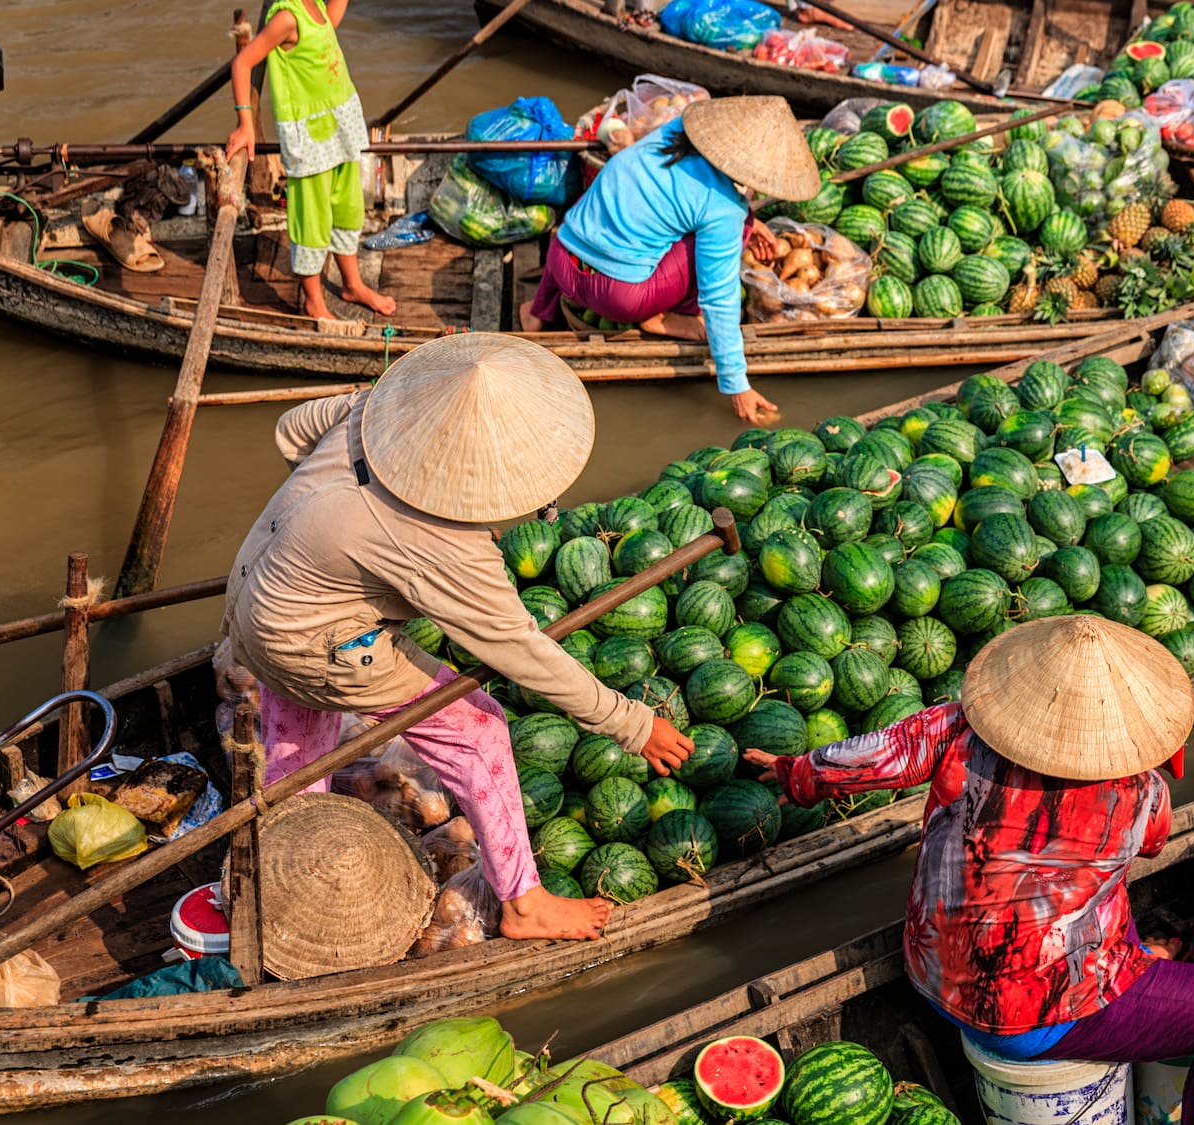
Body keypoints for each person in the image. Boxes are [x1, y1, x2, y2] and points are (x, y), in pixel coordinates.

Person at [221, 333, 693, 942]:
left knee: (302, 737)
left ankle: (286, 861)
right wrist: (631, 723)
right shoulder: (444, 547)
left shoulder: (370, 411)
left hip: (255, 592)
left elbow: (291, 430)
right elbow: (517, 648)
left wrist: (338, 531)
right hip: (315, 642)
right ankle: (524, 903)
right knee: (480, 730)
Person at [741, 617, 1194, 1125]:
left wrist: (796, 775)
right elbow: (1153, 847)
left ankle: (1139, 962)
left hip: (933, 974)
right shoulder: (1141, 795)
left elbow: (875, 757)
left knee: (1099, 901)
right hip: (1031, 1019)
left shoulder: (956, 727)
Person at [518, 96, 820, 425]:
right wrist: (737, 385)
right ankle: (668, 317)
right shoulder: (723, 209)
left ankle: (536, 315)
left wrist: (744, 216)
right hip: (618, 298)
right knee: (728, 237)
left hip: (561, 258)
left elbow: (672, 193)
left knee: (597, 226)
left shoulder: (669, 135)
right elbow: (719, 298)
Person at [226, 0, 396, 322]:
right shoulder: (287, 18)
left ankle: (353, 284)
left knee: (347, 209)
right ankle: (313, 300)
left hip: (339, 129)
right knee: (312, 220)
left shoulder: (315, 5)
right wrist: (245, 123)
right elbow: (242, 64)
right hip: (311, 139)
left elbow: (330, 23)